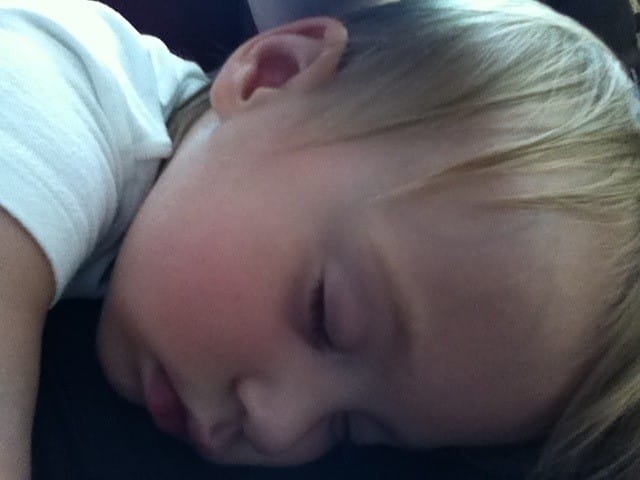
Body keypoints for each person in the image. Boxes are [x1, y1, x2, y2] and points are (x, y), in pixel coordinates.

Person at [2, 1, 640, 479]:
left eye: (350, 429)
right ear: (271, 76)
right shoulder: (56, 78)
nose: (279, 429)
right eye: (326, 316)